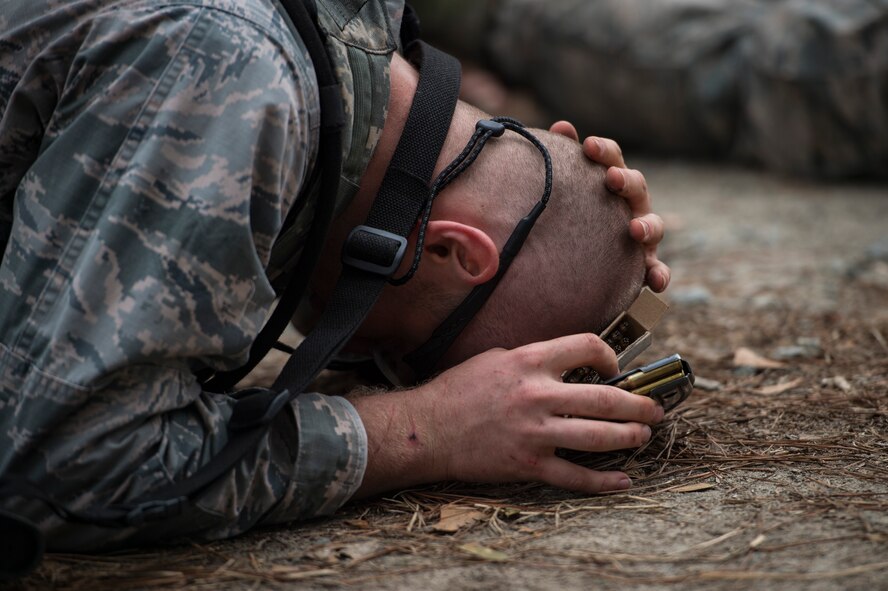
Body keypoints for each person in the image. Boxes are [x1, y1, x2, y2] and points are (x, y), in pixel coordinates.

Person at [0, 0, 670, 552]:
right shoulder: (239, 80)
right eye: (411, 360)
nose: (364, 363)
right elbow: (61, 464)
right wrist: (428, 426)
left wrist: (593, 233)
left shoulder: (352, 43)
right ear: (451, 250)